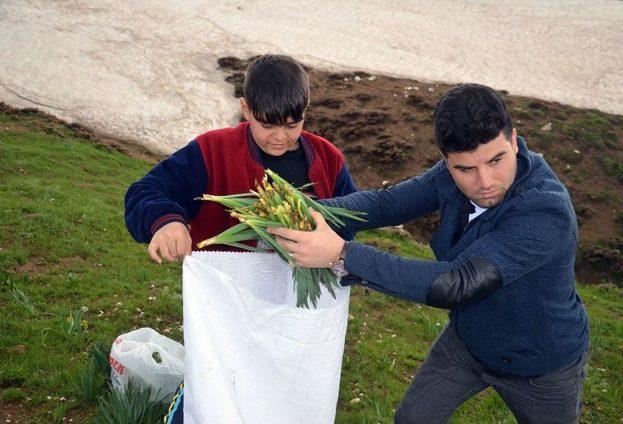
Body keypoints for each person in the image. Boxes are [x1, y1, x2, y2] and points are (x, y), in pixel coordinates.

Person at [268, 83, 589, 423]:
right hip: (469, 341)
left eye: (497, 160)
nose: (485, 181)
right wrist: (305, 212)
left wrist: (342, 254)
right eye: (465, 169)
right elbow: (386, 204)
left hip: (541, 365)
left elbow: (456, 283)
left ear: (514, 140)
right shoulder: (450, 175)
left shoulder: (546, 212)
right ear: (446, 161)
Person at [124, 54, 357, 424]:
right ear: (246, 109)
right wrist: (165, 222)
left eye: (292, 124)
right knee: (216, 389)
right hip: (229, 312)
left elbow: (348, 227)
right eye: (267, 124)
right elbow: (145, 190)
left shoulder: (328, 160)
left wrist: (333, 244)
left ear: (306, 113)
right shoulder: (212, 151)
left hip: (295, 315)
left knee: (284, 395)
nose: (280, 136)